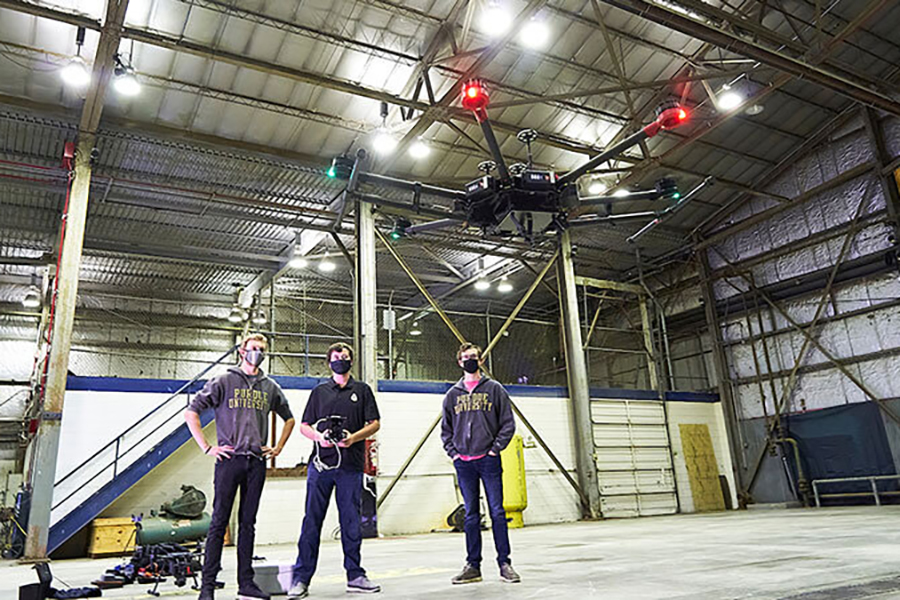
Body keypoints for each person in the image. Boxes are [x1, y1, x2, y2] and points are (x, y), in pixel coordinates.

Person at [185, 333, 296, 600]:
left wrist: (278, 446)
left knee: (248, 523)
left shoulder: (270, 387)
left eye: (261, 349)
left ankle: (246, 584)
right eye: (252, 348)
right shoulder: (224, 380)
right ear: (242, 351)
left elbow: (290, 419)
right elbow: (192, 412)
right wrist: (208, 447)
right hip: (229, 461)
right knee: (219, 522)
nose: (256, 352)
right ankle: (207, 588)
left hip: (255, 463)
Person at [288, 343, 381, 598]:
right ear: (329, 362)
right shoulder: (319, 392)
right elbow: (304, 426)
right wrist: (320, 437)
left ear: (351, 361)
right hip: (320, 466)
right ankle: (301, 579)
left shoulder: (362, 391)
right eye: (337, 357)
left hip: (350, 466)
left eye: (346, 357)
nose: (342, 360)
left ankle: (356, 575)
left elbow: (375, 424)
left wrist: (354, 437)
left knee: (351, 522)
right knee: (311, 521)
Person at [441, 343, 520, 585]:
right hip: (464, 463)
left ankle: (504, 563)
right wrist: (454, 453)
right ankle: (473, 566)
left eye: (474, 357)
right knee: (471, 515)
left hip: (488, 461)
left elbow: (508, 424)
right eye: (465, 358)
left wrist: (495, 450)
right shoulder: (452, 395)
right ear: (459, 362)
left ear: (481, 360)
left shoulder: (495, 390)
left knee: (497, 512)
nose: (470, 361)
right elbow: (446, 430)